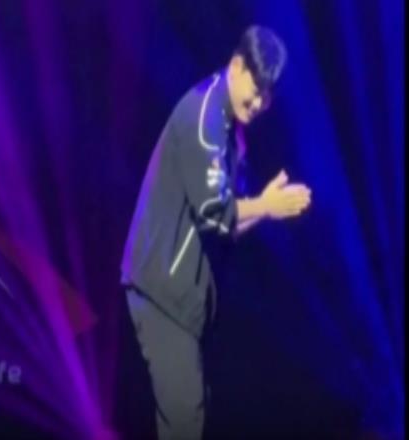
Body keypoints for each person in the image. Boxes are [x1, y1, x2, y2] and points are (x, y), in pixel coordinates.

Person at [120, 25, 311, 440]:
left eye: (266, 98)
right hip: (160, 290)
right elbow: (216, 213)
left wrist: (267, 208)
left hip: (187, 301)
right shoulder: (203, 115)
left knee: (192, 414)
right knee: (185, 420)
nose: (258, 104)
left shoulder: (232, 130)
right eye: (255, 92)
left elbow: (228, 226)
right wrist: (266, 205)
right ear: (237, 65)